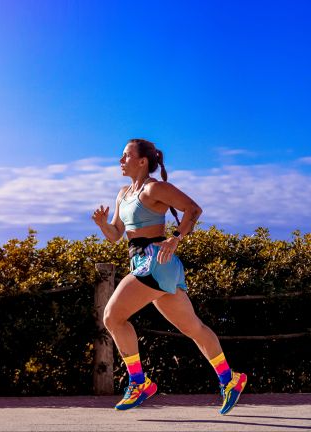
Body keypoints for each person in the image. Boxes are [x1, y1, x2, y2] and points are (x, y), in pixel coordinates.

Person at [91, 138, 247, 415]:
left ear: (142, 161)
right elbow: (116, 236)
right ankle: (229, 379)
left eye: (126, 156)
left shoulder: (155, 188)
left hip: (155, 260)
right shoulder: (123, 193)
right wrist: (104, 225)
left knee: (112, 317)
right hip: (145, 262)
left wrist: (175, 238)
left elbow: (193, 209)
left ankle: (139, 382)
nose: (120, 160)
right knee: (193, 328)